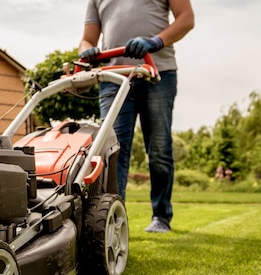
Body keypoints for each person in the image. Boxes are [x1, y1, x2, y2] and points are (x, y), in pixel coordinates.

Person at [78, 0, 194, 233]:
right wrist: (85, 52)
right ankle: (113, 221)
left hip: (157, 72)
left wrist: (155, 41)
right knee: (112, 153)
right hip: (113, 77)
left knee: (159, 149)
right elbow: (88, 39)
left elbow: (186, 19)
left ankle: (161, 217)